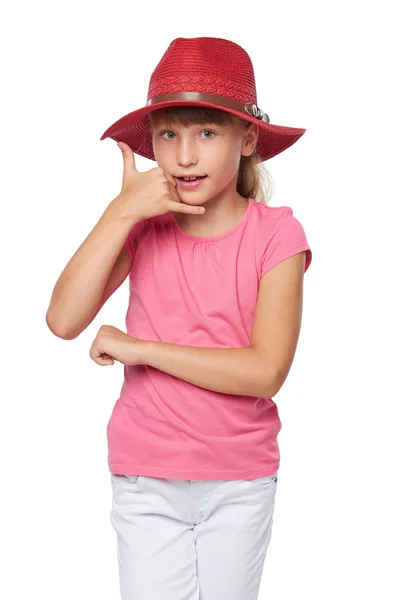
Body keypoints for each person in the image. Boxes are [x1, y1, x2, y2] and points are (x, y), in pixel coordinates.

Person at [46, 36, 312, 600]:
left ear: (248, 139)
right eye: (169, 134)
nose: (184, 156)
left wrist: (140, 348)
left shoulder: (277, 235)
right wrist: (120, 212)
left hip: (239, 479)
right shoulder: (143, 224)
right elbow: (64, 319)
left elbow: (264, 371)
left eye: (206, 133)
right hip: (146, 476)